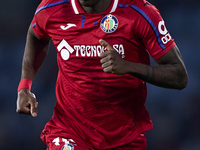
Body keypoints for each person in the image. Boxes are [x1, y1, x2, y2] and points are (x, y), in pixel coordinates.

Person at [16, 0, 188, 149]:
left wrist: (128, 67)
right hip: (70, 130)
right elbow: (36, 36)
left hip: (124, 136)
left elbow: (179, 76)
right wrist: (24, 86)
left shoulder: (140, 13)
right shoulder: (53, 8)